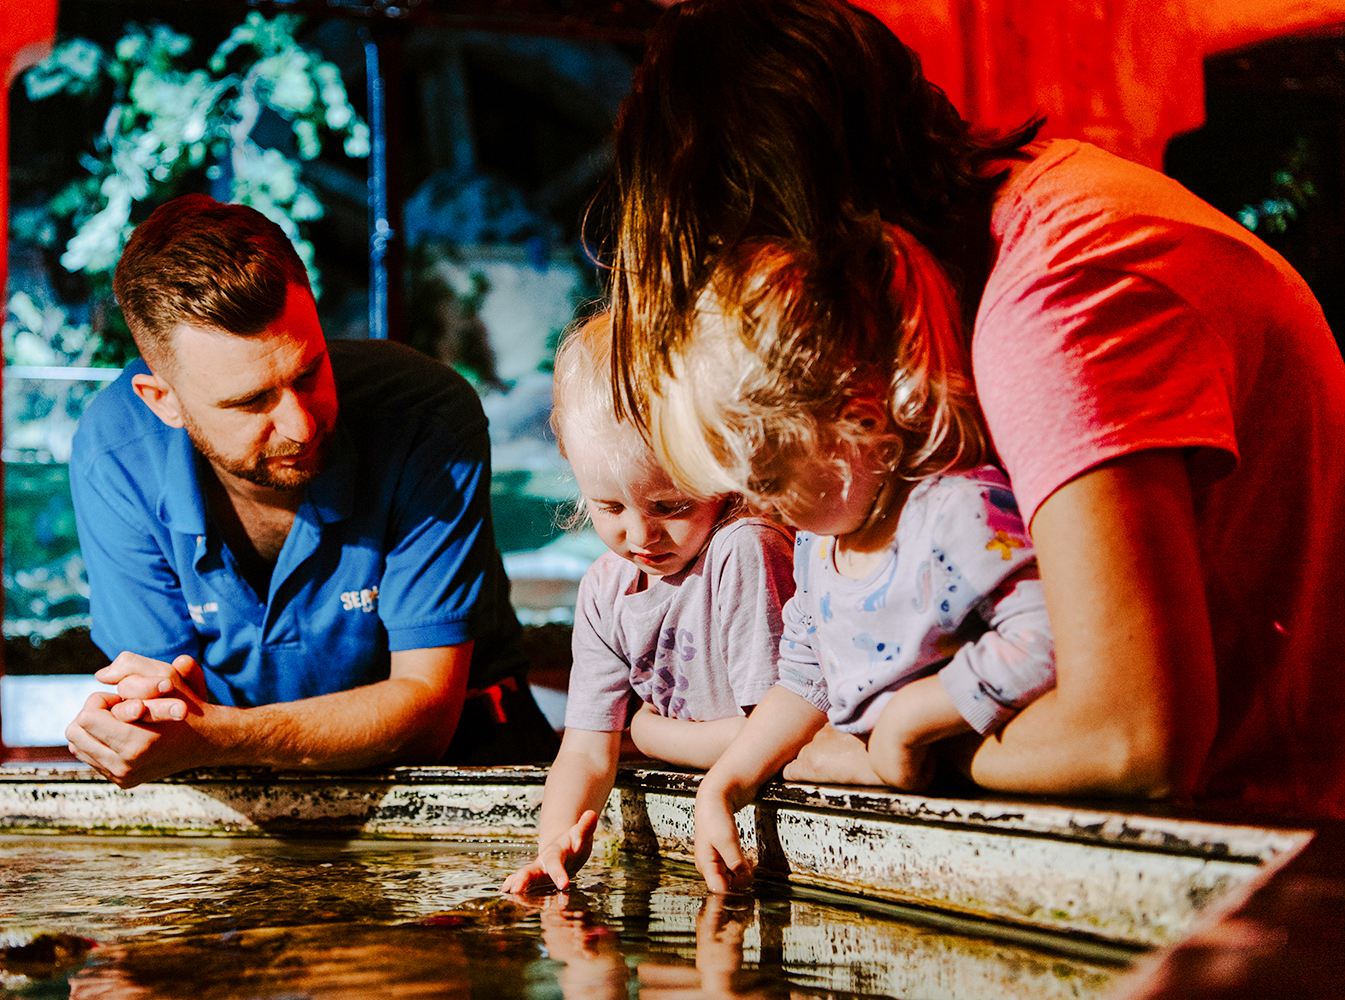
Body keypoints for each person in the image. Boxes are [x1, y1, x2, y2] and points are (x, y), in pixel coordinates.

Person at [607, 0, 1345, 821]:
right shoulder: (1025, 228)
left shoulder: (1057, 289)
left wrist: (867, 751)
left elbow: (1132, 739)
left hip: (1278, 839)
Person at [63, 194, 556, 787]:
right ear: (161, 400)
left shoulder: (426, 416)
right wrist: (138, 722)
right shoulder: (116, 449)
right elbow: (163, 694)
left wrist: (216, 736)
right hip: (238, 782)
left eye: (309, 372)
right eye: (250, 402)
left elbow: (426, 711)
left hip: (471, 762)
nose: (301, 424)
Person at [650, 228, 1059, 891]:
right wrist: (726, 783)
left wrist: (911, 722)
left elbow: (1050, 638)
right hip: (898, 831)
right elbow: (807, 673)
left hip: (1002, 833)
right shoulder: (820, 541)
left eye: (773, 481)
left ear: (858, 424)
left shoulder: (956, 514)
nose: (764, 508)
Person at [501, 313, 796, 893]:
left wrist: (653, 732)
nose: (640, 537)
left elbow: (778, 733)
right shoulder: (605, 589)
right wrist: (553, 843)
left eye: (669, 505)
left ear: (720, 460)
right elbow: (586, 750)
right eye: (610, 508)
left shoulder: (744, 551)